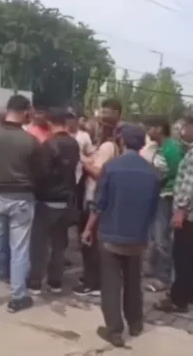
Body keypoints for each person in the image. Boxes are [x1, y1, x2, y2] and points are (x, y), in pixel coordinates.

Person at [81, 124, 160, 348]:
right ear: (142, 145)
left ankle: (115, 330)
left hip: (111, 235)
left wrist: (88, 229)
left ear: (122, 142)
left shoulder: (111, 168)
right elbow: (153, 210)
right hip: (138, 237)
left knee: (111, 282)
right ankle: (135, 323)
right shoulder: (152, 173)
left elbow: (99, 204)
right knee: (134, 280)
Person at [0, 95, 44, 312]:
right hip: (22, 198)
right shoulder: (30, 141)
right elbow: (40, 173)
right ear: (25, 112)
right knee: (19, 249)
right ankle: (17, 297)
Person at [27, 108, 79, 294]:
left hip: (46, 200)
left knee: (39, 244)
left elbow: (42, 174)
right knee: (59, 244)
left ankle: (35, 282)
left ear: (49, 123)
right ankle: (55, 282)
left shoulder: (49, 145)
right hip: (66, 201)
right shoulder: (74, 144)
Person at [74, 118, 120, 296]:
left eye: (98, 126)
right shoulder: (102, 147)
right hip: (93, 196)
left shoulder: (108, 147)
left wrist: (85, 165)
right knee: (91, 241)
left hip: (95, 197)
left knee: (90, 241)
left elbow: (99, 172)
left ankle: (93, 282)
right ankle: (91, 277)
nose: (93, 130)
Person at [154, 116, 193, 313]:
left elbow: (189, 184)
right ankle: (187, 293)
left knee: (182, 255)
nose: (183, 130)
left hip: (187, 215)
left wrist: (180, 210)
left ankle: (179, 299)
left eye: (186, 127)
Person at [143, 115, 185, 292]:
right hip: (159, 195)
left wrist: (159, 180)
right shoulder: (161, 147)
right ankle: (155, 269)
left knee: (162, 239)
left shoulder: (171, 149)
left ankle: (164, 278)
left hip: (167, 197)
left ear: (159, 128)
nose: (148, 131)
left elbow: (177, 174)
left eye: (150, 127)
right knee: (155, 236)